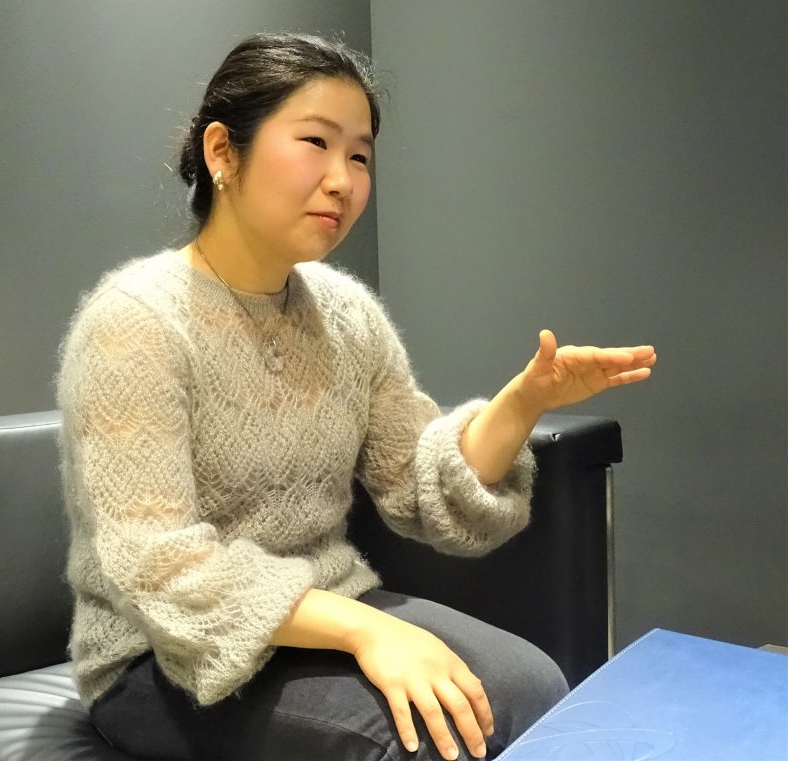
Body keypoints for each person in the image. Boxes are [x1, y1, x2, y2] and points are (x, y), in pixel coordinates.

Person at [55, 31, 657, 761]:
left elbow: (419, 482)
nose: (343, 180)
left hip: (327, 609)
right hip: (161, 655)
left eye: (361, 155)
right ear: (222, 152)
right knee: (427, 740)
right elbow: (157, 566)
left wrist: (524, 401)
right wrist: (366, 630)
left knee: (534, 684)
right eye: (316, 142)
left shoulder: (346, 314)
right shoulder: (133, 322)